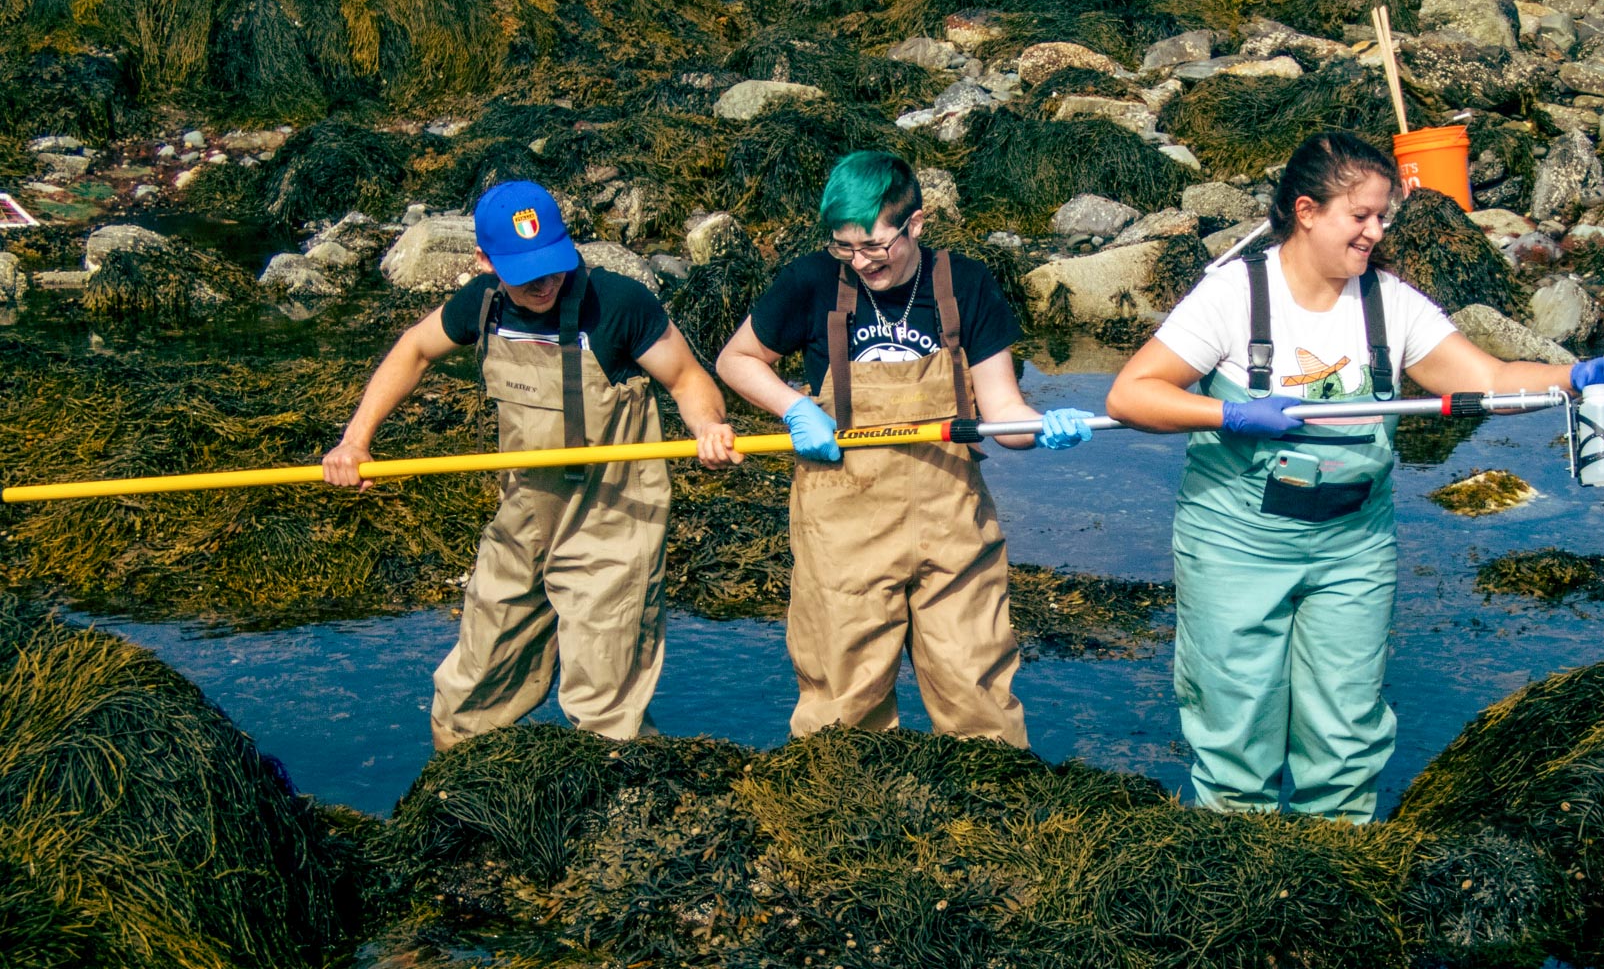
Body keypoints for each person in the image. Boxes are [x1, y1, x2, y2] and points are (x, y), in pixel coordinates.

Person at [1106, 132, 1604, 822]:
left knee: (1346, 727)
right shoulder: (1234, 297)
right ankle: (1235, 865)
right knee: (1237, 720)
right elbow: (1131, 394)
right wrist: (1230, 414)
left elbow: (1493, 379)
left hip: (1355, 546)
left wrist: (1570, 376)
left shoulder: (1390, 305)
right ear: (1307, 211)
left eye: (1383, 217)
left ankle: (1337, 862)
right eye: (1361, 216)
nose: (1376, 233)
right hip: (1237, 544)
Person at [323, 180, 740, 750]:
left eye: (553, 266)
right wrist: (355, 442)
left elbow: (687, 378)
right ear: (485, 262)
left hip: (612, 524)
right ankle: (454, 806)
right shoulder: (483, 304)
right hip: (522, 520)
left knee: (604, 707)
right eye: (527, 274)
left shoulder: (617, 304)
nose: (545, 284)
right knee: (468, 694)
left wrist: (708, 427)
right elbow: (414, 350)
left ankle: (616, 820)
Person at [717, 150, 1096, 748]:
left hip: (953, 527)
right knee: (841, 705)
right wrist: (793, 407)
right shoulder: (811, 282)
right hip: (843, 528)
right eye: (845, 247)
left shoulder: (964, 285)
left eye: (874, 246)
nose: (861, 263)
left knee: (977, 692)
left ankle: (989, 824)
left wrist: (1045, 427)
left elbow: (1004, 416)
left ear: (916, 223)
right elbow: (736, 359)